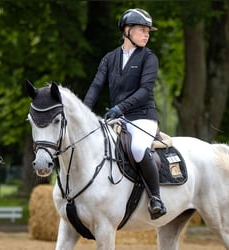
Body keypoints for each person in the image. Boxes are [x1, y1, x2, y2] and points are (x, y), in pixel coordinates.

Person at [83, 8, 166, 219]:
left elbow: (145, 91)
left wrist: (120, 108)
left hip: (143, 117)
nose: (147, 34)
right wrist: (83, 113)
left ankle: (156, 198)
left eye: (148, 31)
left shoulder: (149, 58)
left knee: (138, 148)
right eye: (142, 30)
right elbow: (95, 87)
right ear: (127, 30)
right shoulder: (109, 58)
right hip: (117, 118)